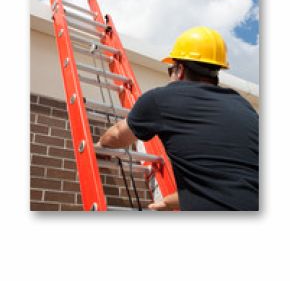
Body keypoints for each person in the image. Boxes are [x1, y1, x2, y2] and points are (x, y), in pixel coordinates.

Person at [96, 26, 259, 211]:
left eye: (170, 70)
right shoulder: (243, 106)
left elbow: (117, 135)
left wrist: (100, 146)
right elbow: (225, 186)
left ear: (179, 70)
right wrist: (165, 203)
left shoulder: (162, 98)